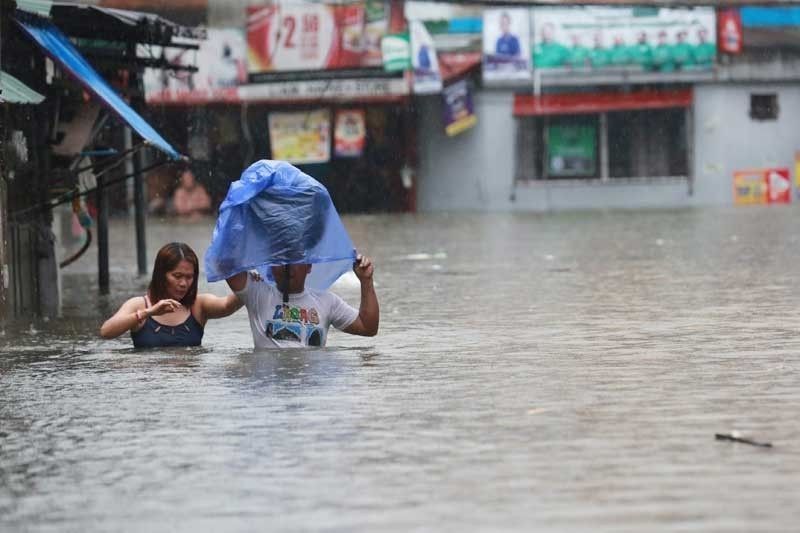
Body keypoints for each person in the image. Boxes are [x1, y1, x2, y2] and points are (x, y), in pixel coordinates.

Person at [100, 242, 244, 348]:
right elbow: (106, 332)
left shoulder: (198, 305)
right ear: (161, 275)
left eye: (189, 277)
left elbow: (227, 305)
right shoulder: (139, 305)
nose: (183, 283)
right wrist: (149, 312)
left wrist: (251, 281)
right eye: (177, 276)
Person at [226, 254, 379, 349]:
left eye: (295, 260)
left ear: (309, 266)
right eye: (280, 260)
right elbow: (224, 263)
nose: (288, 268)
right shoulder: (257, 292)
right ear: (270, 266)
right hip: (270, 391)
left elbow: (368, 327)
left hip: (310, 390)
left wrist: (366, 281)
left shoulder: (327, 301)